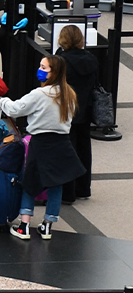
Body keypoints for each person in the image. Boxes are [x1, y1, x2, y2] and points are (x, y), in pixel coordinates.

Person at [0, 55, 87, 241]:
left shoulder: (39, 94)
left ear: (53, 72)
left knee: (31, 181)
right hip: (62, 143)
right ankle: (47, 225)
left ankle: (24, 225)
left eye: (44, 67)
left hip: (40, 142)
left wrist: (1, 101)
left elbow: (15, 109)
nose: (40, 69)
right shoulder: (69, 94)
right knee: (56, 183)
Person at [55, 25, 97, 203]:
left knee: (67, 150)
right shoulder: (91, 59)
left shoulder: (62, 61)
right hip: (86, 108)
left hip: (67, 109)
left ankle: (67, 192)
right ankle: (83, 187)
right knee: (84, 148)